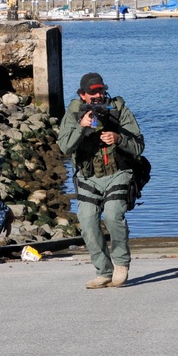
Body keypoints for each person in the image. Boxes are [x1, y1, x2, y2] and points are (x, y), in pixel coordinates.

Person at [58, 72, 145, 289]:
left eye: (100, 91)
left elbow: (139, 145)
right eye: (92, 92)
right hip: (88, 176)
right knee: (87, 222)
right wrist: (82, 126)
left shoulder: (118, 110)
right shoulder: (73, 113)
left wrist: (119, 139)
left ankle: (121, 263)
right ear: (82, 95)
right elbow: (65, 147)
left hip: (118, 172)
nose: (97, 96)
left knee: (113, 215)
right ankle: (103, 271)